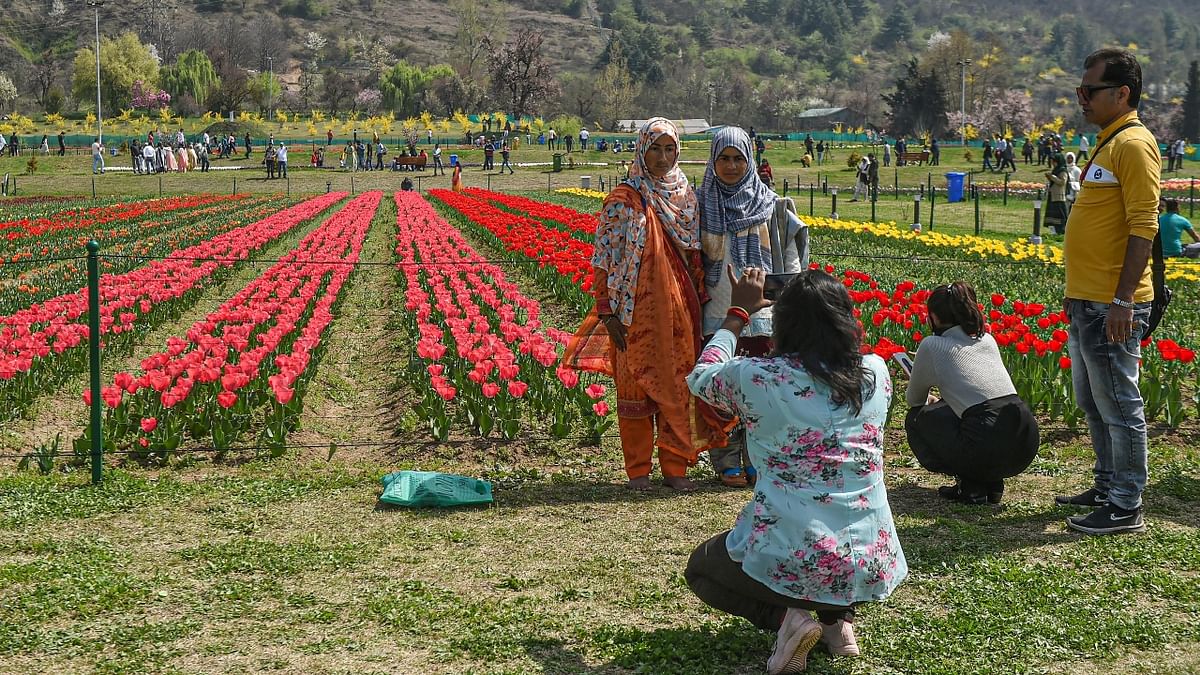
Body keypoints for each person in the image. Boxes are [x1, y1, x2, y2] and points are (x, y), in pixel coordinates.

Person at [684, 268, 907, 673]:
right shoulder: (876, 372)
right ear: (847, 318)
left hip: (798, 553)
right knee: (834, 544)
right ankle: (837, 624)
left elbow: (700, 378)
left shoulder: (758, 377)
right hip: (872, 557)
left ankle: (794, 622)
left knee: (701, 570)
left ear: (782, 323)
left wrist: (738, 312)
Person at [563, 117, 729, 492]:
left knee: (678, 383)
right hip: (632, 312)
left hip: (680, 310)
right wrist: (606, 311)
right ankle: (638, 471)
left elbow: (696, 258)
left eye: (670, 148)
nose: (663, 156)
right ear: (641, 149)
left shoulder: (686, 197)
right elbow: (604, 258)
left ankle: (675, 468)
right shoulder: (624, 199)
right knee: (635, 388)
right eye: (655, 148)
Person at [1057, 47, 1160, 535]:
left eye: (1090, 91)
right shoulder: (1107, 140)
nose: (1082, 98)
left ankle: (1125, 503)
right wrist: (1075, 290)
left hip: (1112, 304)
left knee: (1119, 404)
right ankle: (1106, 483)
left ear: (1122, 93)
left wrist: (1122, 301)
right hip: (1087, 298)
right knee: (1094, 401)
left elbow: (1144, 227)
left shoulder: (1133, 145)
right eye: (1080, 90)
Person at [698, 126, 808, 488]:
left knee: (761, 389)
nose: (731, 166)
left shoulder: (771, 206)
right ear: (713, 161)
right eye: (724, 159)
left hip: (762, 313)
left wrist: (786, 302)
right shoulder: (701, 204)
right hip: (715, 308)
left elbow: (790, 258)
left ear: (750, 160)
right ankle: (726, 457)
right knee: (720, 385)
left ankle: (758, 457)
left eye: (738, 159)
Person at [904, 282, 1040, 504]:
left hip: (984, 443)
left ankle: (972, 483)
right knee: (963, 415)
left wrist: (930, 396)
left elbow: (914, 400)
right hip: (1026, 440)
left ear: (934, 318)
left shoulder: (932, 345)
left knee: (917, 418)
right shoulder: (987, 339)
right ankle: (991, 483)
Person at [1043, 153, 1070, 235]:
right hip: (1053, 195)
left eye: (1054, 162)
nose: (1053, 163)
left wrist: (1052, 177)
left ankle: (1061, 230)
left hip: (1059, 196)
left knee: (1060, 215)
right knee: (1052, 215)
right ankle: (1053, 230)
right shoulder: (1056, 170)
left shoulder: (1062, 170)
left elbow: (1062, 182)